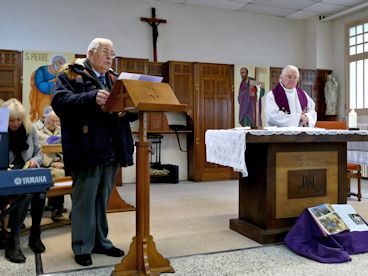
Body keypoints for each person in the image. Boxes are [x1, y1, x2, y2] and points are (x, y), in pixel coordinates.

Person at [52, 37, 137, 266]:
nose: (110, 57)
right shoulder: (71, 73)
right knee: (84, 200)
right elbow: (60, 102)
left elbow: (131, 108)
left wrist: (128, 111)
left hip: (110, 148)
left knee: (102, 199)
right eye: (105, 52)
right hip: (86, 147)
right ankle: (82, 246)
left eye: (112, 53)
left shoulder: (114, 78)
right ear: (90, 53)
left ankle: (101, 242)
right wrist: (91, 98)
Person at [1, 98, 46, 263]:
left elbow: (40, 154)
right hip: (7, 174)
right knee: (25, 192)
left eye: (19, 119)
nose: (16, 123)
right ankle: (13, 240)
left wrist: (35, 161)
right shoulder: (1, 132)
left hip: (27, 170)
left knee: (40, 193)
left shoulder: (30, 128)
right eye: (11, 120)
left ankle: (35, 234)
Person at [36, 108, 66, 222]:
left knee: (76, 173)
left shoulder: (61, 129)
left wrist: (61, 162)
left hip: (61, 162)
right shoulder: (36, 130)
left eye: (56, 121)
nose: (53, 124)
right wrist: (52, 163)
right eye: (50, 121)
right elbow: (36, 152)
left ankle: (76, 211)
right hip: (45, 163)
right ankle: (57, 209)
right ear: (44, 119)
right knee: (59, 175)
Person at [29, 55, 67, 122]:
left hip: (56, 97)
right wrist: (54, 83)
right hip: (42, 96)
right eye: (59, 63)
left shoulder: (62, 72)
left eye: (62, 64)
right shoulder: (42, 70)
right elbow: (40, 85)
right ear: (54, 62)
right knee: (44, 115)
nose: (61, 65)